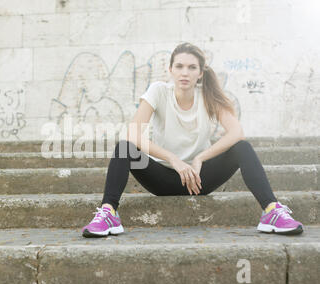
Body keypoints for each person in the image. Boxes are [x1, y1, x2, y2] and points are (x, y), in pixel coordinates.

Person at [81, 42, 304, 238]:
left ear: (200, 72)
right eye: (179, 66)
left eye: (191, 67)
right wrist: (173, 159)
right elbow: (133, 134)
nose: (184, 73)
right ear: (170, 70)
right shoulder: (158, 91)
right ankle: (109, 213)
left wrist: (200, 158)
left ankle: (271, 211)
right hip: (163, 178)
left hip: (199, 180)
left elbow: (236, 132)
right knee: (124, 148)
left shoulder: (208, 96)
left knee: (242, 148)